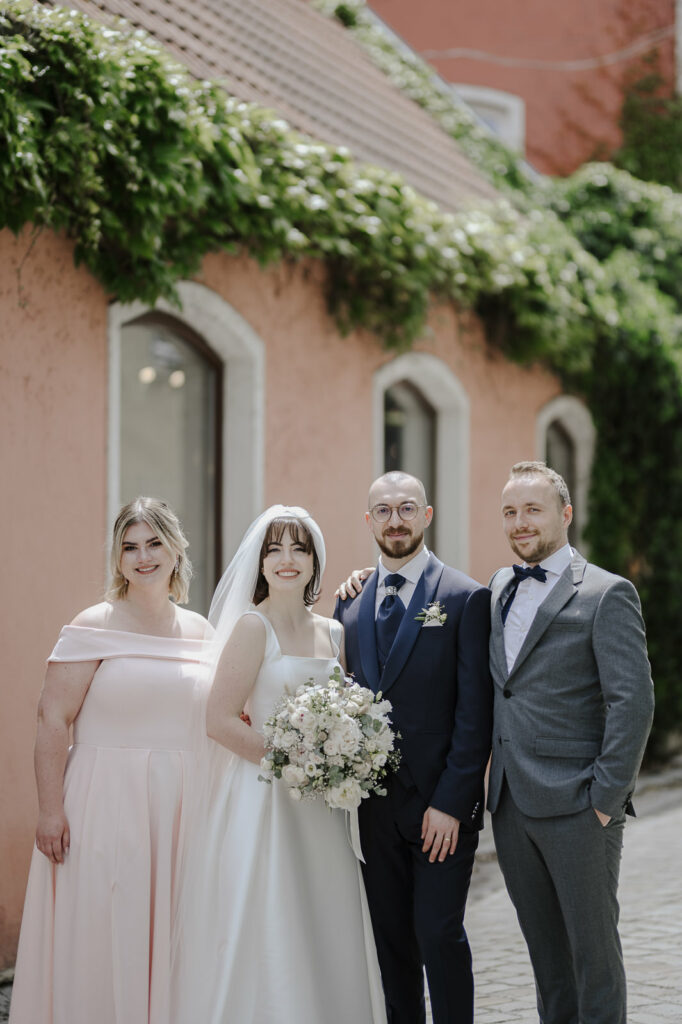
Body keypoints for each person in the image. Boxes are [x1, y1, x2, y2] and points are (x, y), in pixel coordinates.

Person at [171, 505, 386, 1024]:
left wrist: (345, 753)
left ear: (315, 561)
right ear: (261, 564)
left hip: (322, 807)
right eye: (274, 549)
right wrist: (293, 757)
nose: (287, 559)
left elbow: (347, 713)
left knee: (324, 918)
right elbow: (219, 721)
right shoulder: (252, 627)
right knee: (271, 918)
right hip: (265, 798)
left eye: (299, 548)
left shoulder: (334, 633)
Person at [9, 498, 214, 1024]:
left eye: (153, 544)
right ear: (118, 559)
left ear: (175, 551)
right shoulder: (94, 624)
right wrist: (50, 810)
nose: (143, 557)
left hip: (180, 809)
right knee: (105, 927)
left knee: (173, 934)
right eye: (129, 547)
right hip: (102, 803)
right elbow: (51, 718)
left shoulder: (202, 632)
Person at [488, 461, 654, 1024]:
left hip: (580, 808)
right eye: (510, 512)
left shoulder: (608, 593)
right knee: (547, 962)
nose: (520, 522)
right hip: (510, 805)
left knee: (594, 961)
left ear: (565, 513)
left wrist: (606, 799)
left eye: (532, 509)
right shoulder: (497, 588)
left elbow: (632, 702)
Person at [335, 471, 493, 1024]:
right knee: (392, 942)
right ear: (369, 520)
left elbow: (475, 714)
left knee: (437, 931)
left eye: (406, 509)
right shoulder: (349, 604)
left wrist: (452, 803)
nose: (395, 520)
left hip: (439, 809)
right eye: (383, 510)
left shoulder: (465, 597)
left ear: (427, 516)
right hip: (374, 808)